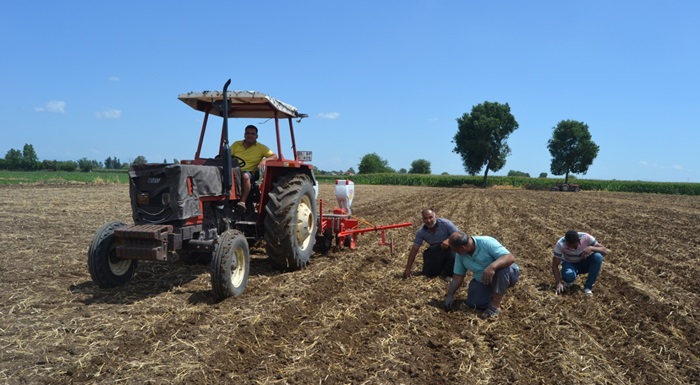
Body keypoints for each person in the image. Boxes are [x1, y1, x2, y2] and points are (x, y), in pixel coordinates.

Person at [444, 231, 520, 319]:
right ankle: (495, 293)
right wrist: (450, 295)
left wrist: (492, 267)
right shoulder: (461, 255)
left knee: (503, 269)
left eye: (454, 250)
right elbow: (457, 277)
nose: (454, 252)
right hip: (484, 280)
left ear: (462, 248)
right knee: (474, 303)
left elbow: (509, 257)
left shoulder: (486, 242)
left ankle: (495, 306)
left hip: (506, 274)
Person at [231, 125, 278, 210]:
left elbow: (275, 156)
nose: (250, 135)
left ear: (257, 136)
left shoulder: (261, 147)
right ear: (244, 134)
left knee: (245, 176)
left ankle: (242, 202)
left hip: (249, 173)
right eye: (248, 133)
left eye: (253, 134)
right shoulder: (236, 144)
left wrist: (264, 161)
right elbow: (227, 156)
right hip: (234, 170)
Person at [402, 209, 459, 279]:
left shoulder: (445, 223)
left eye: (430, 217)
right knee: (429, 273)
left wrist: (449, 240)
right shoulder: (421, 232)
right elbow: (414, 250)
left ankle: (449, 274)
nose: (428, 221)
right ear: (423, 219)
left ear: (435, 217)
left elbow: (459, 235)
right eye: (425, 218)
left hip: (449, 249)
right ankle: (439, 270)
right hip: (435, 250)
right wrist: (408, 269)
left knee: (453, 255)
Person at [552, 230, 609, 296]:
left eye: (574, 246)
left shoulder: (586, 237)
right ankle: (568, 279)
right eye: (569, 246)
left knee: (598, 256)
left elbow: (604, 250)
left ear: (579, 240)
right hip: (569, 263)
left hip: (584, 263)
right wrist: (558, 282)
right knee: (568, 276)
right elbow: (555, 265)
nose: (572, 248)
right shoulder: (560, 244)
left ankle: (588, 287)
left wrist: (591, 248)